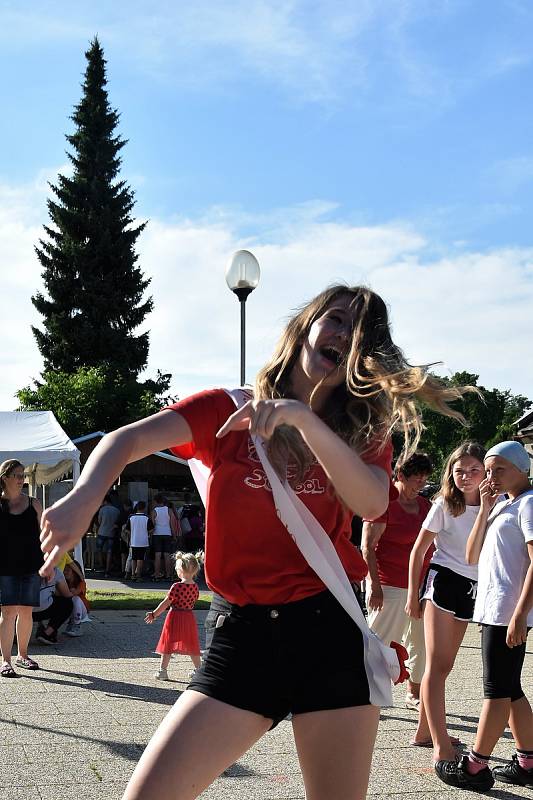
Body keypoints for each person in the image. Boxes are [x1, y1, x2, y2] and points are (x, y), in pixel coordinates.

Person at [39, 285, 470, 800]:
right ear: (304, 326)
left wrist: (303, 418)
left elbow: (373, 502)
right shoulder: (227, 410)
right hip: (242, 635)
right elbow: (126, 439)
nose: (342, 336)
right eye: (334, 319)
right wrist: (85, 497)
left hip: (327, 630)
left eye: (358, 334)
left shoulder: (362, 434)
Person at [435, 440, 533, 791]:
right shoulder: (503, 505)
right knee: (511, 688)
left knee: (495, 690)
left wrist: (521, 613)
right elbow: (471, 554)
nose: (490, 476)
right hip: (494, 609)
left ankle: (475, 767)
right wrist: (487, 506)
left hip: (507, 612)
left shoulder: (529, 504)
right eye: (488, 470)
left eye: (499, 469)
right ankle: (528, 761)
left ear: (522, 468)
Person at [405, 442, 485, 757]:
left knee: (446, 666)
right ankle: (440, 744)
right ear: (450, 473)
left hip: (472, 588)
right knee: (436, 667)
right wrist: (414, 594)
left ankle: (424, 732)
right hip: (443, 583)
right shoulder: (444, 504)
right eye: (459, 470)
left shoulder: (494, 503)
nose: (466, 476)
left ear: (485, 472)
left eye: (473, 470)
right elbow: (418, 551)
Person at [361, 452, 433, 711]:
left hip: (420, 587)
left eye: (425, 480)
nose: (420, 485)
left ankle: (413, 694)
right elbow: (367, 547)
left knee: (419, 643)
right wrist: (375, 587)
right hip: (388, 584)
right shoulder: (383, 503)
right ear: (400, 475)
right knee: (378, 642)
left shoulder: (425, 506)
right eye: (416, 479)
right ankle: (367, 695)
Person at [0, 459, 43, 676]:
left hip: (31, 564)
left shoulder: (34, 503)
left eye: (23, 475)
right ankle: (5, 661)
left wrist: (50, 564)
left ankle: (22, 655)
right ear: (5, 478)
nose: (21, 479)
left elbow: (45, 536)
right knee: (8, 613)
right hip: (5, 566)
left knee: (26, 612)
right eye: (17, 475)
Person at [146, 551, 203, 680]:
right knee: (192, 644)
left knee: (168, 643)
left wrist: (154, 614)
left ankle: (163, 671)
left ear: (181, 570)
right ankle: (199, 670)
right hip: (188, 617)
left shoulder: (176, 586)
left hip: (175, 617)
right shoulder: (196, 587)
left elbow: (166, 603)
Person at [33, 566, 74, 644]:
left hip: (19, 611)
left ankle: (13, 632)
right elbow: (67, 594)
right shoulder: (55, 570)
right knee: (67, 603)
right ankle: (47, 633)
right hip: (42, 610)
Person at [125, 501, 153, 581]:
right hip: (143, 542)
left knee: (134, 559)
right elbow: (151, 530)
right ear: (144, 508)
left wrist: (133, 533)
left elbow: (127, 530)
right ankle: (138, 575)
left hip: (133, 541)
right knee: (140, 559)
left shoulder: (131, 517)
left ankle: (133, 574)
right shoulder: (146, 518)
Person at [151, 494, 177, 580]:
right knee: (167, 555)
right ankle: (168, 574)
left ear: (156, 501)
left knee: (157, 555)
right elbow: (172, 524)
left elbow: (153, 525)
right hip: (167, 533)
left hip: (157, 534)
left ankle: (157, 574)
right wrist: (174, 535)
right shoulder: (169, 510)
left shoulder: (154, 511)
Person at [96, 494, 120, 577]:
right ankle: (108, 568)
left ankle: (101, 565)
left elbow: (99, 521)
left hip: (102, 532)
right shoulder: (117, 510)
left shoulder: (102, 509)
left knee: (99, 549)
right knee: (110, 551)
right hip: (111, 533)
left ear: (105, 501)